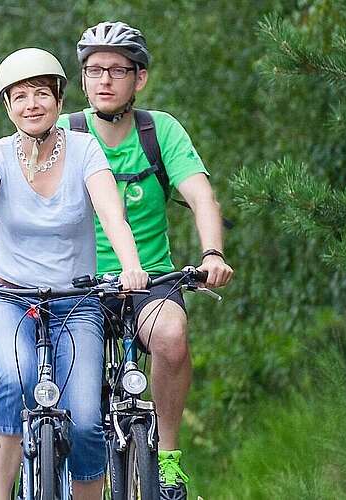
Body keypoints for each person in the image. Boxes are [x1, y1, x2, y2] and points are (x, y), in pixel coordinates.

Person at [0, 47, 148, 500]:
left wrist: (131, 266)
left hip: (78, 302)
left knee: (88, 418)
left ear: (58, 98)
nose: (31, 104)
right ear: (7, 106)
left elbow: (113, 216)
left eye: (40, 93)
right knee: (17, 380)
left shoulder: (85, 148)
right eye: (19, 97)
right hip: (11, 300)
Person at [70, 21, 234, 499]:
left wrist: (212, 254)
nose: (104, 80)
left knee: (171, 336)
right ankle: (45, 456)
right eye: (94, 70)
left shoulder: (159, 131)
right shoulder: (65, 131)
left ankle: (166, 457)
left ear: (138, 79)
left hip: (150, 280)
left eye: (117, 70)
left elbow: (202, 197)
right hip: (76, 284)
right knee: (54, 378)